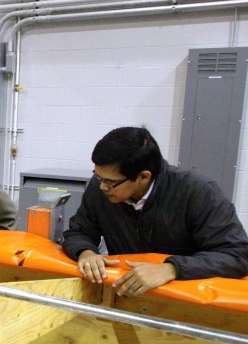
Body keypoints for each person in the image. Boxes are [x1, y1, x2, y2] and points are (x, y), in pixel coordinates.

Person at [62, 126, 248, 296]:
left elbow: (236, 255)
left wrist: (171, 269)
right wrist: (85, 252)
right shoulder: (100, 189)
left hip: (184, 302)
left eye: (110, 182)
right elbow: (79, 231)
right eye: (98, 176)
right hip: (125, 295)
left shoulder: (198, 192)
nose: (102, 186)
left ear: (143, 177)